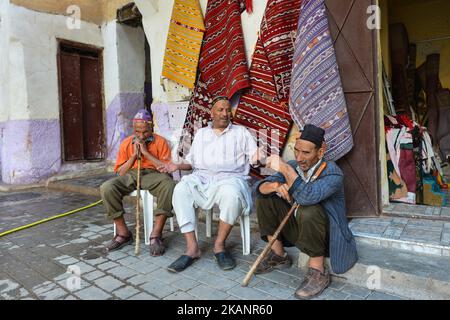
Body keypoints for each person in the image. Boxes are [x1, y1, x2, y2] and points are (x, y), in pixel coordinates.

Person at [254, 124, 358, 299]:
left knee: (308, 209)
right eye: (296, 151)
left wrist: (285, 168)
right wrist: (275, 186)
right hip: (301, 231)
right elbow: (258, 188)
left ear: (320, 152)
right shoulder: (294, 165)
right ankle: (279, 255)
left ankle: (318, 271)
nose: (299, 158)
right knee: (266, 197)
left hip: (326, 237)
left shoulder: (333, 173)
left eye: (306, 153)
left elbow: (307, 197)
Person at [158, 97, 258, 272]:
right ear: (211, 113)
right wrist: (177, 165)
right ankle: (192, 248)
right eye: (220, 110)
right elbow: (192, 163)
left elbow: (255, 155)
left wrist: (261, 157)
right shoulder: (202, 134)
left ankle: (219, 246)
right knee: (181, 189)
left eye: (228, 110)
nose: (225, 114)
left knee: (231, 194)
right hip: (202, 178)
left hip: (230, 178)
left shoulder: (241, 132)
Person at [100, 109, 176, 256]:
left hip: (154, 174)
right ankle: (123, 233)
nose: (141, 136)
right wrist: (134, 156)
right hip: (131, 174)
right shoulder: (126, 143)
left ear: (152, 128)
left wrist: (147, 153)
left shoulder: (160, 141)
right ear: (133, 130)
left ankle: (156, 234)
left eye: (145, 132)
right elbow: (120, 172)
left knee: (169, 185)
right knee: (107, 187)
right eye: (137, 132)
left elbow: (166, 170)